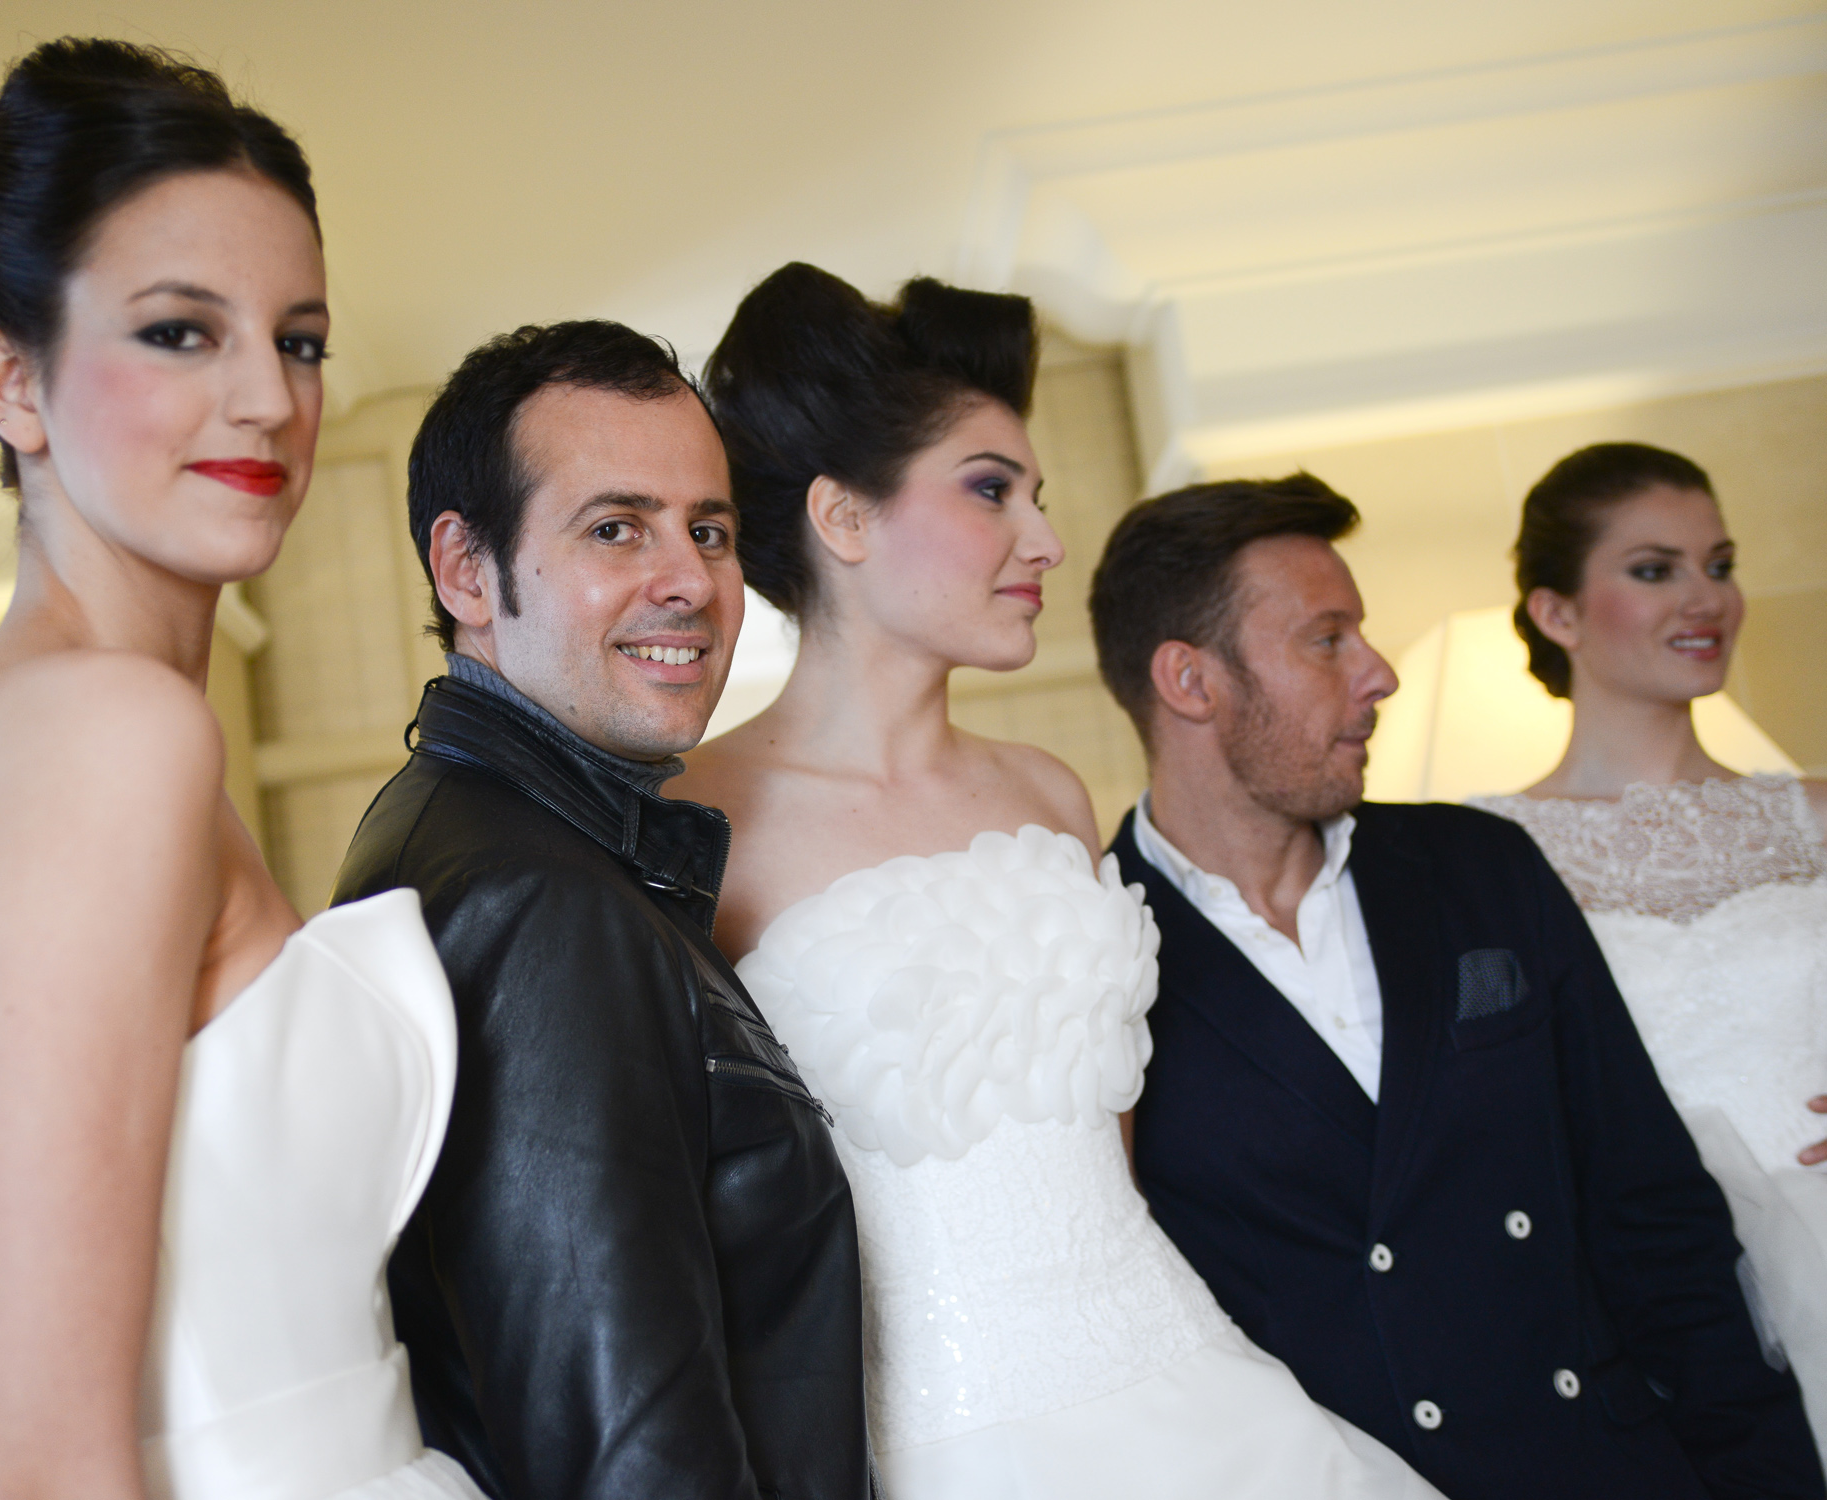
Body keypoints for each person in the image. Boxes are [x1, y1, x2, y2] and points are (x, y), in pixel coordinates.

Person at [671, 262, 1441, 1499]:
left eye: (1036, 496)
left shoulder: (1047, 795)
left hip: (1193, 1382)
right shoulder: (696, 821)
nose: (1044, 540)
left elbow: (1117, 1145)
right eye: (990, 490)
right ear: (844, 517)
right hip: (945, 1438)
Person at [0, 40, 481, 1500]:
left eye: (299, 340)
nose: (268, 397)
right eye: (181, 333)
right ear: (12, 379)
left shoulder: (2, 728)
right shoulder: (106, 734)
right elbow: (32, 1459)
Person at [1090, 472, 1825, 1500]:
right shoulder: (1096, 949)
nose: (1379, 673)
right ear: (1189, 680)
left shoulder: (1480, 866)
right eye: (1327, 639)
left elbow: (1653, 1214)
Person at [331, 319, 874, 1500]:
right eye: (615, 528)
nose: (689, 583)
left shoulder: (478, 831)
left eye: (708, 531)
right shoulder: (536, 903)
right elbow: (628, 1459)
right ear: (465, 571)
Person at [1470, 442, 1827, 1461]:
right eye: (1653, 569)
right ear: (1557, 613)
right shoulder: (1483, 855)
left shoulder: (1813, 817)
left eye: (1718, 565)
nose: (1704, 598)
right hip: (1637, 1286)